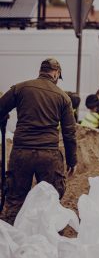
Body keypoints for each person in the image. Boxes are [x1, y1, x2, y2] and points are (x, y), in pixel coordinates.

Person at [0, 58, 77, 225]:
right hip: (48, 155)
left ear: (41, 71)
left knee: (15, 200)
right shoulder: (63, 97)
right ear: (56, 73)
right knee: (51, 201)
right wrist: (72, 160)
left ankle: (9, 242)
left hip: (21, 152)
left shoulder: (20, 88)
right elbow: (69, 133)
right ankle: (48, 242)